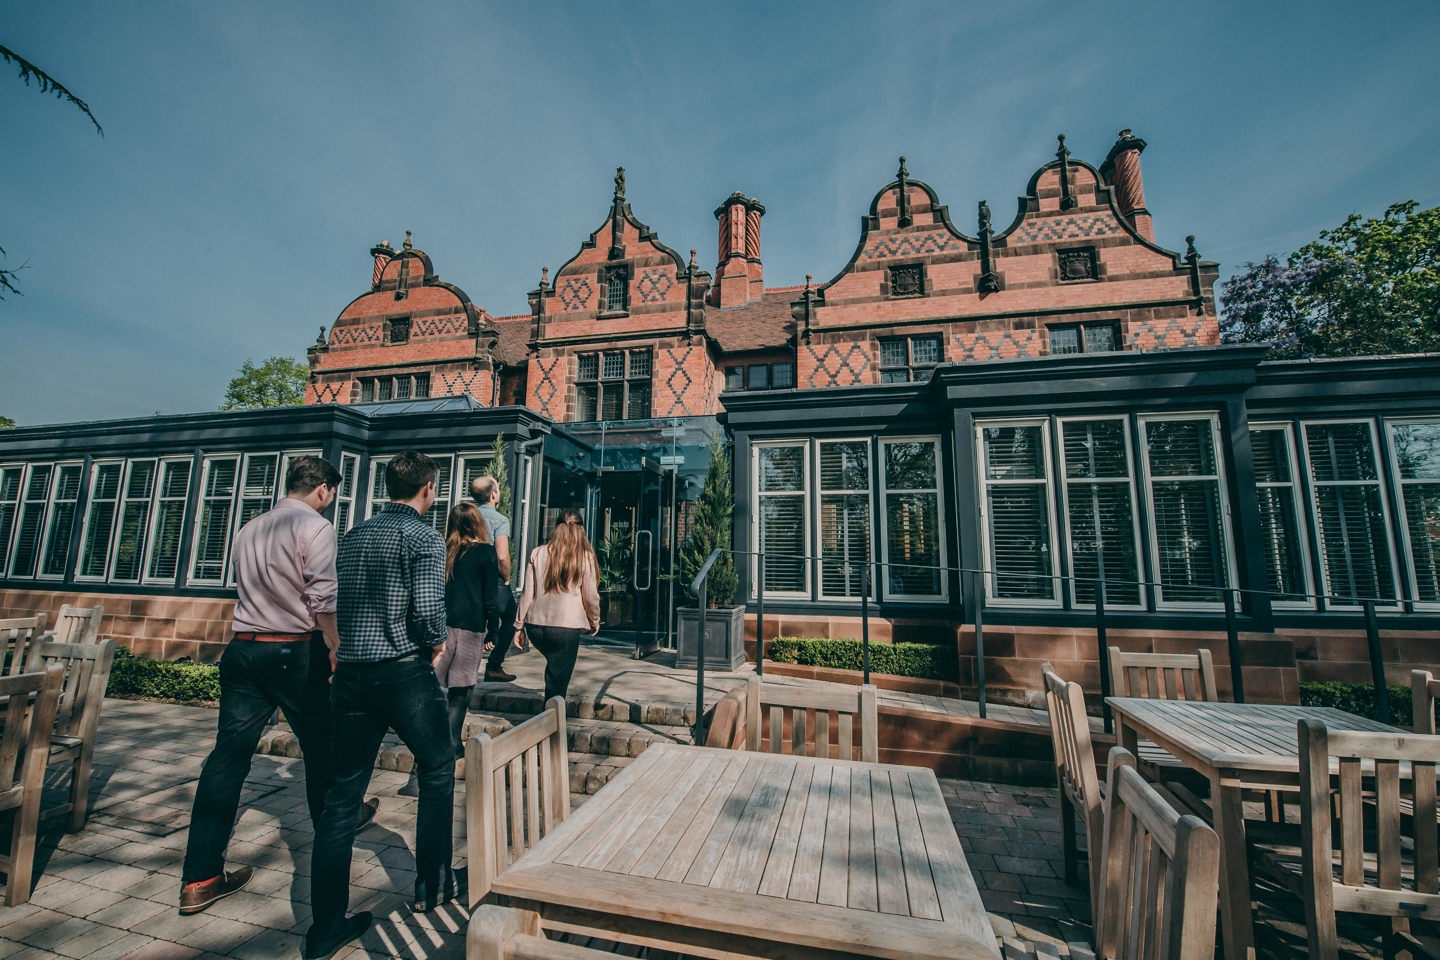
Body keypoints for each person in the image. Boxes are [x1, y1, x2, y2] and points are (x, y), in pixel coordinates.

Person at [178, 456, 379, 916]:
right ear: (324, 489)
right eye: (332, 494)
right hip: (294, 650)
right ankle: (335, 836)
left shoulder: (250, 528)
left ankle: (200, 877)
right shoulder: (316, 527)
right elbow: (323, 596)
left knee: (227, 759)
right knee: (323, 748)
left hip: (244, 648)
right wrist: (336, 645)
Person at [304, 452, 459, 960]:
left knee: (341, 798)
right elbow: (429, 610)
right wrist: (436, 643)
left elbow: (337, 600)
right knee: (437, 768)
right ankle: (433, 882)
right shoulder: (423, 537)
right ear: (428, 488)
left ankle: (326, 928)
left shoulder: (352, 535)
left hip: (352, 674)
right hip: (402, 670)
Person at [514, 509, 601, 701]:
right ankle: (552, 715)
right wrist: (594, 620)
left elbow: (528, 594)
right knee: (558, 681)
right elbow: (590, 597)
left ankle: (551, 711)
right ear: (581, 530)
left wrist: (519, 626)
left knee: (555, 670)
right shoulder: (584, 557)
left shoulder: (538, 553)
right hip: (565, 628)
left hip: (536, 626)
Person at [435, 501, 499, 756]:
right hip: (471, 626)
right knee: (461, 688)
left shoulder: (443, 550)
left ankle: (438, 738)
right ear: (478, 523)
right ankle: (451, 743)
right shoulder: (486, 553)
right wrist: (493, 629)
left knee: (439, 684)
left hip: (443, 624)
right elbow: (490, 597)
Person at [469, 473, 519, 682]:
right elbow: (502, 555)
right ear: (493, 495)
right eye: (497, 488)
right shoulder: (499, 520)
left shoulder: (467, 517)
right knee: (511, 617)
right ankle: (494, 665)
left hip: (469, 578)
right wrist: (506, 577)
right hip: (493, 579)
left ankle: (468, 666)